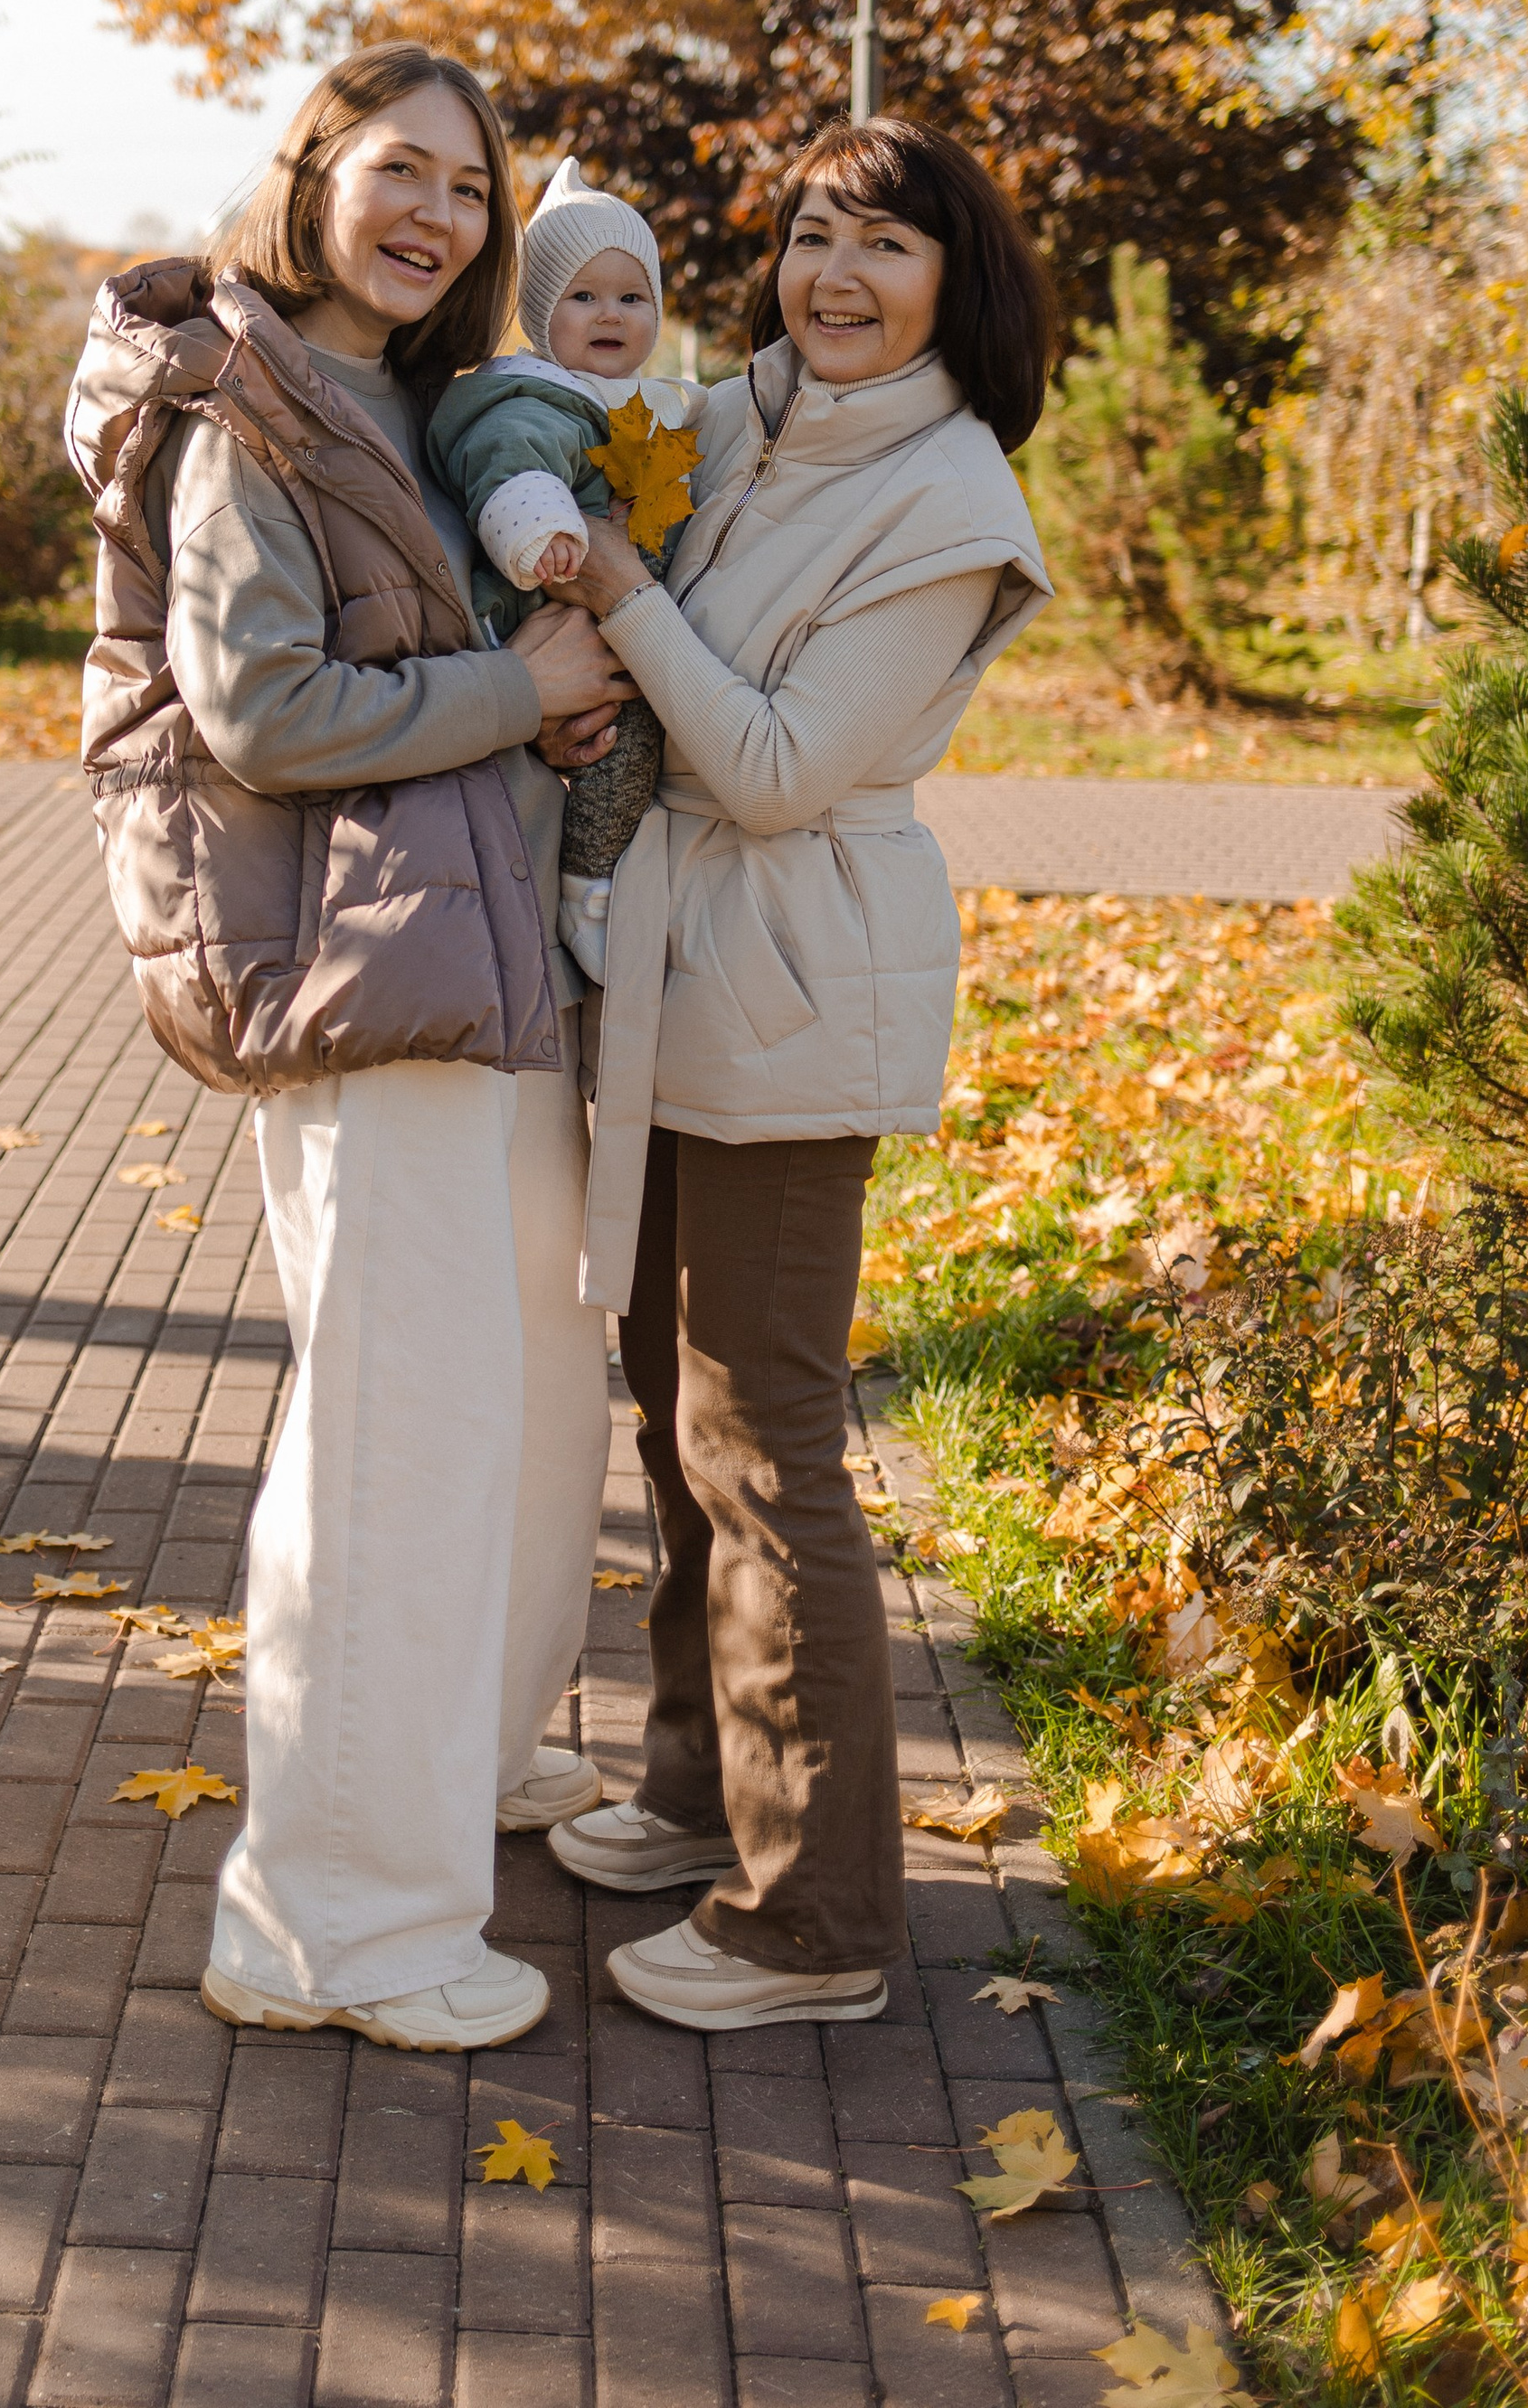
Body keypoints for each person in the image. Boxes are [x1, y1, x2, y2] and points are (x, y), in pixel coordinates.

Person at [63, 42, 635, 2055]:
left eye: (468, 194)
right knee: (395, 1437)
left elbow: (456, 673)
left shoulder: (393, 400)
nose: (435, 218)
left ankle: (449, 1772)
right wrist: (508, 685)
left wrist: (539, 700)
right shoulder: (249, 408)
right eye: (401, 172)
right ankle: (331, 1921)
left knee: (521, 1398)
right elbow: (268, 718)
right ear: (312, 173)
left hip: (474, 974)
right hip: (360, 982)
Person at [539, 115, 1056, 2030]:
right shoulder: (738, 420)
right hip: (676, 966)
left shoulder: (946, 497)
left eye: (885, 244)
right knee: (670, 1402)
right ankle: (698, 1792)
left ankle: (819, 1915)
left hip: (785, 973)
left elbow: (768, 767)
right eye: (809, 235)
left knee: (763, 1433)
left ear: (954, 281)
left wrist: (615, 590)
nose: (834, 275)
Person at [425, 158, 705, 985]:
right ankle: (589, 893)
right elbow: (509, 462)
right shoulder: (536, 399)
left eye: (631, 296)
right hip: (548, 607)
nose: (610, 314)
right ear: (542, 315)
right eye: (582, 297)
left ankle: (609, 881)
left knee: (636, 750)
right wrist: (540, 525)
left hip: (626, 619)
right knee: (614, 751)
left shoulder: (656, 404)